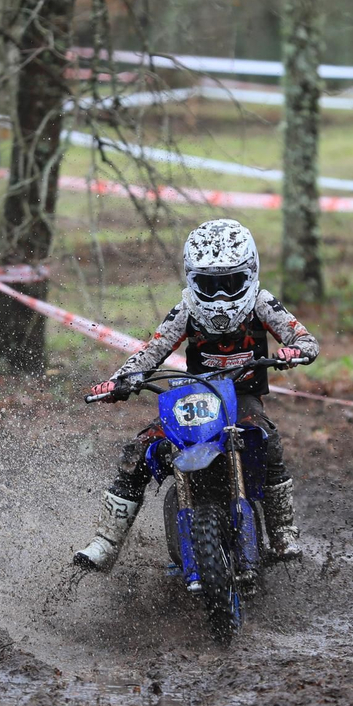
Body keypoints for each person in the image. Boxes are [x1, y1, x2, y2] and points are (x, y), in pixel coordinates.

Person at [74, 219, 320, 573]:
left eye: (229, 284)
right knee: (140, 450)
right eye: (209, 285)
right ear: (192, 280)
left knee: (266, 440)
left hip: (243, 398)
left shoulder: (262, 304)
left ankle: (283, 531)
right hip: (195, 399)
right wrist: (119, 382)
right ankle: (106, 542)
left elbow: (305, 339)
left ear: (249, 274)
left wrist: (295, 351)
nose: (219, 297)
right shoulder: (186, 309)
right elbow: (151, 351)